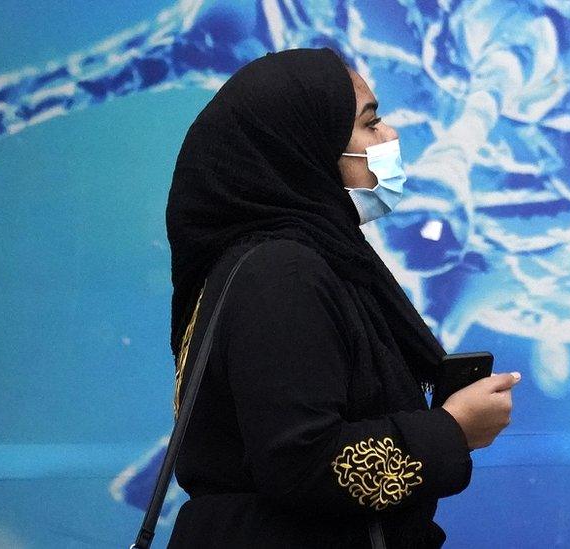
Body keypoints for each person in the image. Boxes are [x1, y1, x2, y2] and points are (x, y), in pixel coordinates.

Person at [164, 47, 520, 548]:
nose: (391, 137)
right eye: (370, 124)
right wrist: (451, 430)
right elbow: (301, 465)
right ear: (304, 146)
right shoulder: (281, 274)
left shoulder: (312, 262)